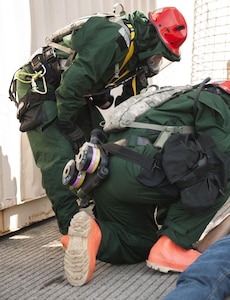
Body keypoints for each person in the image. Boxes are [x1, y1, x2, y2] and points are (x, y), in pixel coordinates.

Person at [9, 6, 187, 237]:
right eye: (160, 53)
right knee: (59, 157)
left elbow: (131, 108)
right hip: (41, 86)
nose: (158, 60)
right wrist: (67, 127)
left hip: (72, 92)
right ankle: (72, 233)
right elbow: (69, 89)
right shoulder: (114, 39)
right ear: (152, 38)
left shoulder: (137, 56)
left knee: (101, 150)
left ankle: (109, 223)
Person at [61, 79, 230, 286]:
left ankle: (95, 234)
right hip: (139, 168)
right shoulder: (214, 99)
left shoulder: (166, 101)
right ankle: (172, 247)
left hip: (102, 174)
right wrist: (181, 232)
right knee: (224, 169)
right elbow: (225, 151)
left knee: (139, 242)